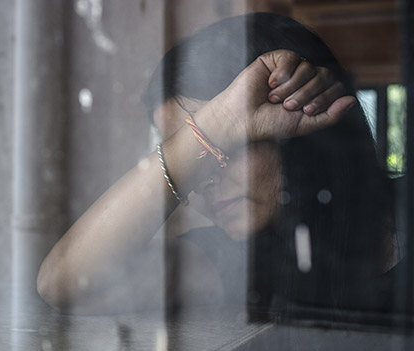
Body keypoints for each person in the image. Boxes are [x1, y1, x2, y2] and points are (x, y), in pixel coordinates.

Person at [37, 13, 399, 321]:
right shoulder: (241, 262)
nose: (200, 184)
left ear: (295, 114)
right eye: (194, 154)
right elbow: (61, 284)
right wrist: (217, 124)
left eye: (220, 145)